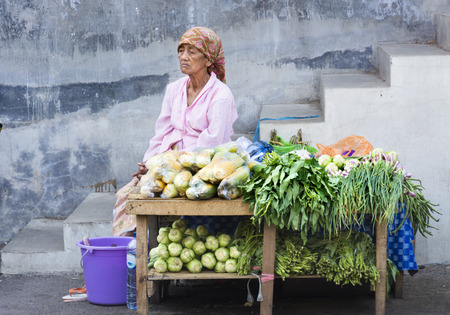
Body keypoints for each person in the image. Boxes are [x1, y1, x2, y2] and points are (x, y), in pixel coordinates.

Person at [113, 27, 238, 236]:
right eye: (181, 51)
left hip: (202, 167)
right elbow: (162, 131)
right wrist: (149, 163)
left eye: (192, 51)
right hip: (167, 163)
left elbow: (213, 142)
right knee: (126, 194)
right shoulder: (175, 89)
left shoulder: (221, 95)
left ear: (208, 60)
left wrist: (170, 163)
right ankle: (129, 252)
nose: (184, 57)